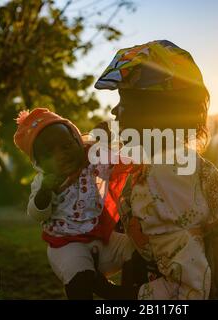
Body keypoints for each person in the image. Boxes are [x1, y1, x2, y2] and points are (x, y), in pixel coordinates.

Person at [92, 40, 218, 299]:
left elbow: (190, 285)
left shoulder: (162, 179)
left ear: (155, 113)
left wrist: (113, 295)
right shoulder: (174, 163)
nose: (115, 112)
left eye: (125, 100)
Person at [13, 108, 135, 299]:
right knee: (79, 279)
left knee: (139, 250)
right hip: (67, 246)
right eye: (49, 153)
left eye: (67, 145)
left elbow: (116, 163)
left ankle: (131, 294)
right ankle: (103, 288)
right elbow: (36, 214)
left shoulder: (90, 163)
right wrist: (44, 193)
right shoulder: (44, 182)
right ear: (39, 162)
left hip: (103, 240)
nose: (61, 154)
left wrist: (103, 141)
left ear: (78, 140)